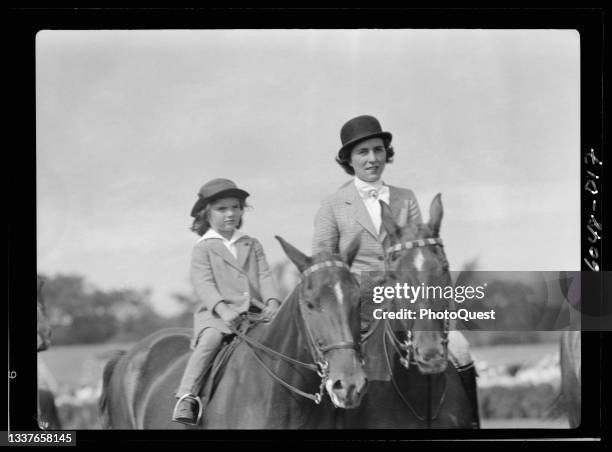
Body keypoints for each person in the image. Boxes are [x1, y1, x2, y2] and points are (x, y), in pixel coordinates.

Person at [312, 114, 480, 428]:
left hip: (409, 302)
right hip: (358, 310)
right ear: (349, 158)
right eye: (363, 152)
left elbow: (423, 257)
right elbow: (324, 272)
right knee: (332, 369)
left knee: (460, 347)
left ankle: (472, 425)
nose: (372, 158)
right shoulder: (332, 206)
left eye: (377, 150)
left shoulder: (407, 198)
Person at [172, 178, 281, 425]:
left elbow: (264, 275)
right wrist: (222, 308)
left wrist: (273, 302)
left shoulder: (251, 243)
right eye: (222, 209)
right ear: (206, 213)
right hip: (217, 316)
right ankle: (187, 395)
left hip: (255, 312)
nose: (230, 213)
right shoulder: (204, 247)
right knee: (210, 340)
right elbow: (204, 283)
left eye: (235, 207)